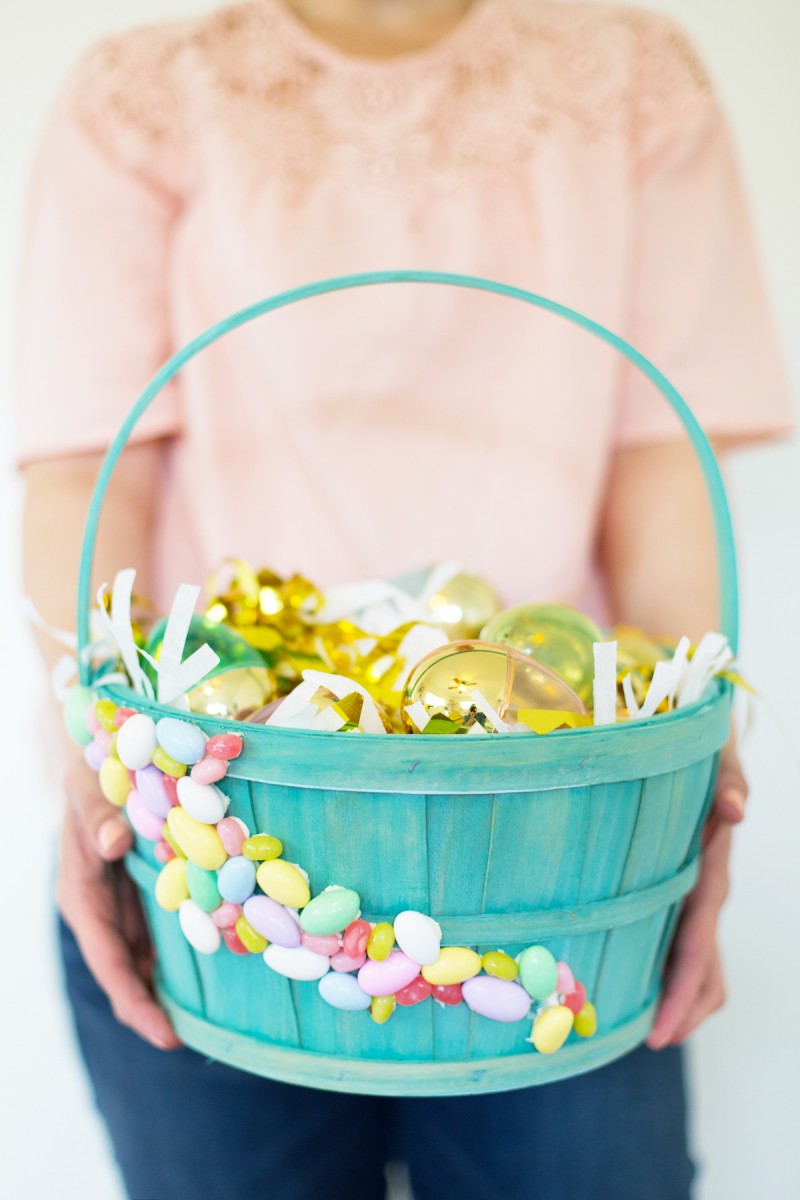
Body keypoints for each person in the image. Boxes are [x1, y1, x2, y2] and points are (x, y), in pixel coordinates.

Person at [16, 1, 791, 1197]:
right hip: (217, 824)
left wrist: (687, 773)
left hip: (553, 840)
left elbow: (657, 477)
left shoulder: (629, 81)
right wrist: (86, 760)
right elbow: (84, 472)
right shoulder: (149, 96)